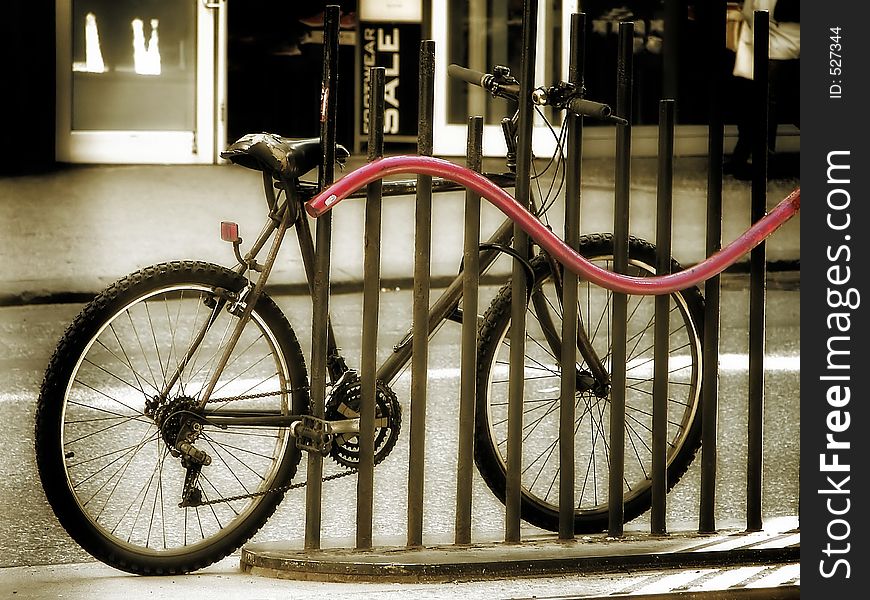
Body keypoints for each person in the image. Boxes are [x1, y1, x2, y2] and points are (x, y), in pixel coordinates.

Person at [724, 0, 800, 179]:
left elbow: (785, 11)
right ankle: (744, 154)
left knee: (766, 105)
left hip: (780, 43)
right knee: (750, 101)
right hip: (757, 40)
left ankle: (759, 159)